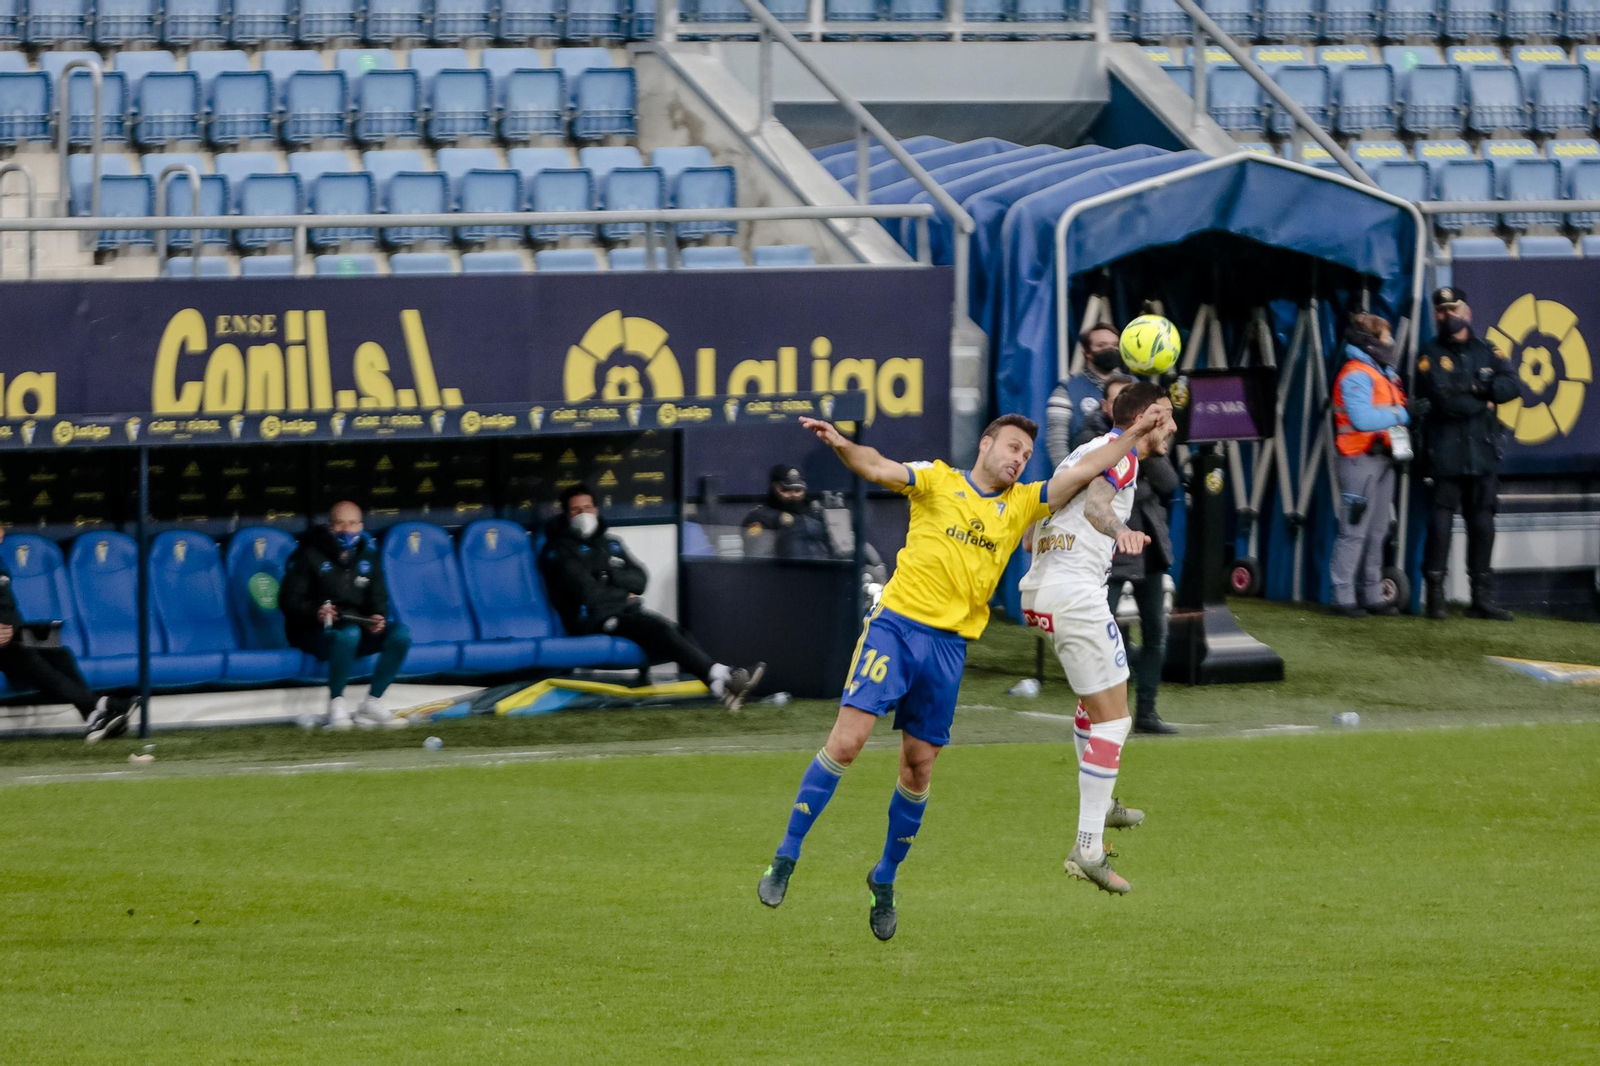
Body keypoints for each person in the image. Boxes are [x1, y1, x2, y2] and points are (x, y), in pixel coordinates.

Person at [757, 404, 1174, 939]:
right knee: (847, 742)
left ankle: (884, 877)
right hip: (897, 628)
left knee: (918, 769)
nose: (1019, 459)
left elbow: (1083, 470)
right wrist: (839, 443)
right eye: (1011, 448)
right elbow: (878, 466)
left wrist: (1135, 432)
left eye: (1026, 454)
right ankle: (786, 856)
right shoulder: (937, 480)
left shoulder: (1023, 502)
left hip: (950, 649)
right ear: (985, 445)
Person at [1020, 382, 1175, 895]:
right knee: (1116, 722)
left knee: (1104, 700)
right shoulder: (1123, 457)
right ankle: (1087, 847)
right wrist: (1119, 532)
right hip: (1075, 594)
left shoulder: (1084, 452)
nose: (1172, 426)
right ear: (1143, 420)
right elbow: (1096, 507)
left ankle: (1102, 803)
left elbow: (1033, 523)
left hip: (1044, 590)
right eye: (1164, 416)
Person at [540, 485, 763, 712]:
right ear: (567, 515)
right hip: (592, 621)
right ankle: (724, 675)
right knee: (657, 628)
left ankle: (719, 685)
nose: (583, 514)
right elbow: (588, 594)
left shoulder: (610, 543)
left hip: (624, 612)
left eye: (587, 508)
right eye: (576, 510)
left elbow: (640, 581)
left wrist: (610, 575)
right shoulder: (558, 550)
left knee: (677, 631)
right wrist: (622, 591)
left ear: (596, 509)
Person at [1416, 287, 1519, 622]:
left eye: (1452, 309)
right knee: (1440, 525)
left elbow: (1512, 386)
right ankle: (1435, 599)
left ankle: (1481, 599)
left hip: (1482, 453)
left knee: (1483, 524)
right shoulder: (1429, 352)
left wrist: (1476, 389)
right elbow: (1445, 400)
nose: (1447, 315)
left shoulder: (1488, 349)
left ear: (1467, 311)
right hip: (1445, 453)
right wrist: (1484, 399)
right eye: (1441, 311)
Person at [280, 502, 413, 731]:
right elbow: (288, 600)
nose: (346, 530)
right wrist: (316, 611)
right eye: (340, 523)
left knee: (401, 634)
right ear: (331, 527)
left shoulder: (369, 557)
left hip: (357, 629)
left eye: (352, 524)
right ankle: (336, 706)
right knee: (348, 634)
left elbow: (379, 600)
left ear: (360, 526)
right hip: (315, 632)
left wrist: (377, 618)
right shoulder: (309, 554)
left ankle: (373, 703)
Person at [0, 525, 137, 743]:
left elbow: (8, 610)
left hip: (15, 636)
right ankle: (101, 704)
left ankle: (92, 716)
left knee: (60, 653)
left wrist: (22, 631)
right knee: (25, 655)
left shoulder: (2, 565)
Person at [1329, 313, 1410, 619]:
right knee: (1353, 531)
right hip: (1358, 460)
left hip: (1383, 459)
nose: (1390, 343)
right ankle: (1343, 595)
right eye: (1386, 336)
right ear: (1371, 340)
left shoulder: (1382, 373)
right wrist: (1402, 414)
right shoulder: (1355, 374)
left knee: (1377, 532)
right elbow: (1362, 420)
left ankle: (1372, 593)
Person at [1046, 322, 1125, 467]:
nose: (1111, 350)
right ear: (1087, 353)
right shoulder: (1066, 390)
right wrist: (1067, 477)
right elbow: (1057, 443)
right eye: (1102, 345)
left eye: (1115, 345)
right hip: (1084, 475)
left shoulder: (1134, 386)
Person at [741, 465, 838, 561]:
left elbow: (832, 550)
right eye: (786, 490)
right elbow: (759, 559)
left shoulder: (815, 512)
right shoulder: (760, 517)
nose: (793, 495)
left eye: (798, 490)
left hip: (823, 572)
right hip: (786, 574)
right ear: (774, 487)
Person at [1072, 372, 1136, 451]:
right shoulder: (1089, 438)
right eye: (1116, 401)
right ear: (1104, 405)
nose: (1124, 406)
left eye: (1129, 401)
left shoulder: (1146, 432)